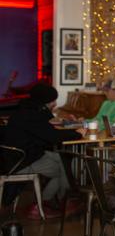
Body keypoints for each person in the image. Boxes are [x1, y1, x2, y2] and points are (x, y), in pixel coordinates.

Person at [1, 84, 86, 219]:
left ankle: (62, 199)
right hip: (21, 160)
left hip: (20, 155)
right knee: (63, 168)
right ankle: (46, 203)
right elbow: (53, 136)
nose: (55, 103)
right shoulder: (32, 115)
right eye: (53, 101)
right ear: (44, 101)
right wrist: (78, 133)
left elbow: (47, 132)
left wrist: (72, 131)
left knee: (60, 158)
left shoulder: (27, 110)